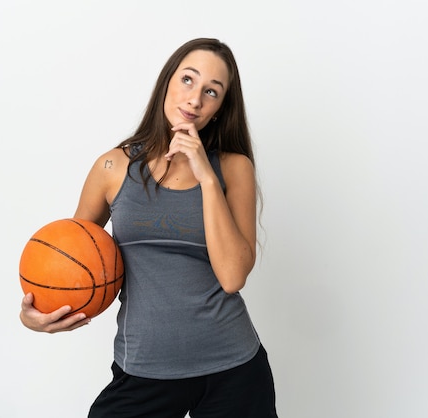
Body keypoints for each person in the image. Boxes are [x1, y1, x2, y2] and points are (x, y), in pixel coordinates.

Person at [20, 37, 278, 418]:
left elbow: (233, 276)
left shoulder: (233, 168)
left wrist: (206, 177)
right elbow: (72, 256)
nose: (195, 99)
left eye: (211, 91)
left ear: (220, 110)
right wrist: (35, 314)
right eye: (188, 80)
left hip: (233, 367)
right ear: (167, 83)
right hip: (143, 370)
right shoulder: (112, 168)